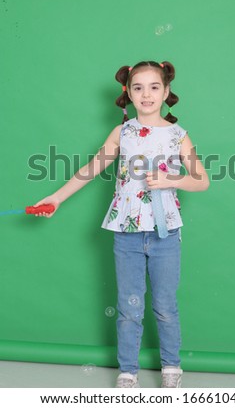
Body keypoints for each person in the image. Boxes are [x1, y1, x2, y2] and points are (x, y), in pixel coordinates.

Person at [33, 60, 210, 388]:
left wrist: (174, 178)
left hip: (165, 233)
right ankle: (128, 370)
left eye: (154, 87)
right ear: (127, 93)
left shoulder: (177, 135)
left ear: (166, 92)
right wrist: (56, 198)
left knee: (165, 306)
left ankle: (172, 366)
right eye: (138, 87)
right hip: (125, 234)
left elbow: (202, 180)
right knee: (130, 306)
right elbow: (90, 169)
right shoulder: (122, 133)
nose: (146, 94)